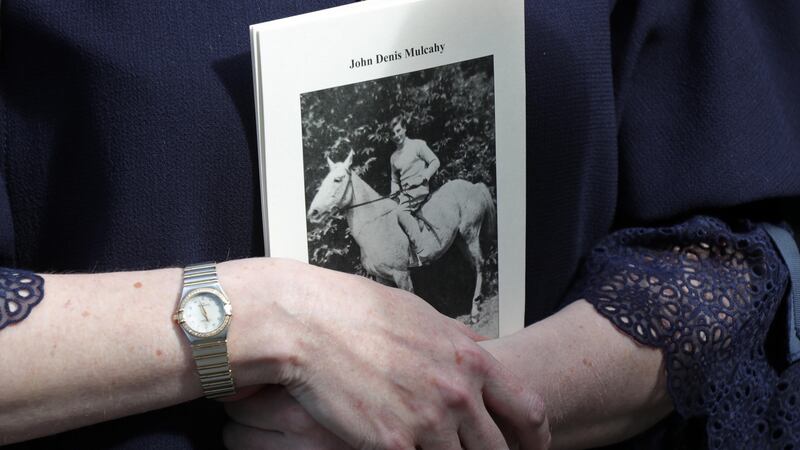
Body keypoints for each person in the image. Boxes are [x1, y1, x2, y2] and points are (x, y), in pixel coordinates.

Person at [1, 1, 799, 449]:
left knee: (418, 223)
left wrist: (479, 398)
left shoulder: (419, 158)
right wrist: (267, 320)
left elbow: (733, 229)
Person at [389, 114, 441, 259]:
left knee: (400, 212)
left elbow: (435, 162)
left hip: (419, 189)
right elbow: (394, 179)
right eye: (393, 133)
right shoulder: (393, 157)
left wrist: (422, 178)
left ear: (405, 129)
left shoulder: (418, 145)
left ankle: (421, 249)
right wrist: (394, 190)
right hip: (404, 194)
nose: (396, 135)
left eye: (398, 131)